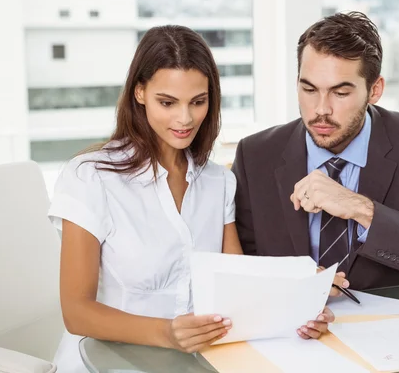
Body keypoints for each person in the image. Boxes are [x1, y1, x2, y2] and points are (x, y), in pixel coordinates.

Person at [47, 25, 332, 373]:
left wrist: (302, 300)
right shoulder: (90, 177)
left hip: (192, 364)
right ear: (140, 92)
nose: (185, 118)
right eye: (167, 102)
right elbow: (76, 312)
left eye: (197, 102)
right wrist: (167, 333)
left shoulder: (219, 182)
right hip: (104, 362)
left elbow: (238, 289)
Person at [231, 12, 399, 304]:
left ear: (374, 90)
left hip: (391, 339)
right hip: (290, 335)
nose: (320, 110)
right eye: (309, 89)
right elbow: (239, 270)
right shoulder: (256, 156)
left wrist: (363, 210)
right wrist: (292, 283)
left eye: (340, 92)